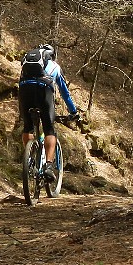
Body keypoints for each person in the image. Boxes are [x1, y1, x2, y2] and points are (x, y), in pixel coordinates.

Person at [18, 43, 78, 181]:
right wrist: (73, 111)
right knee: (49, 129)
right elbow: (65, 93)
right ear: (52, 55)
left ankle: (30, 159)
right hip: (43, 91)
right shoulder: (55, 67)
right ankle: (49, 167)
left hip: (24, 89)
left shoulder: (26, 66)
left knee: (27, 127)